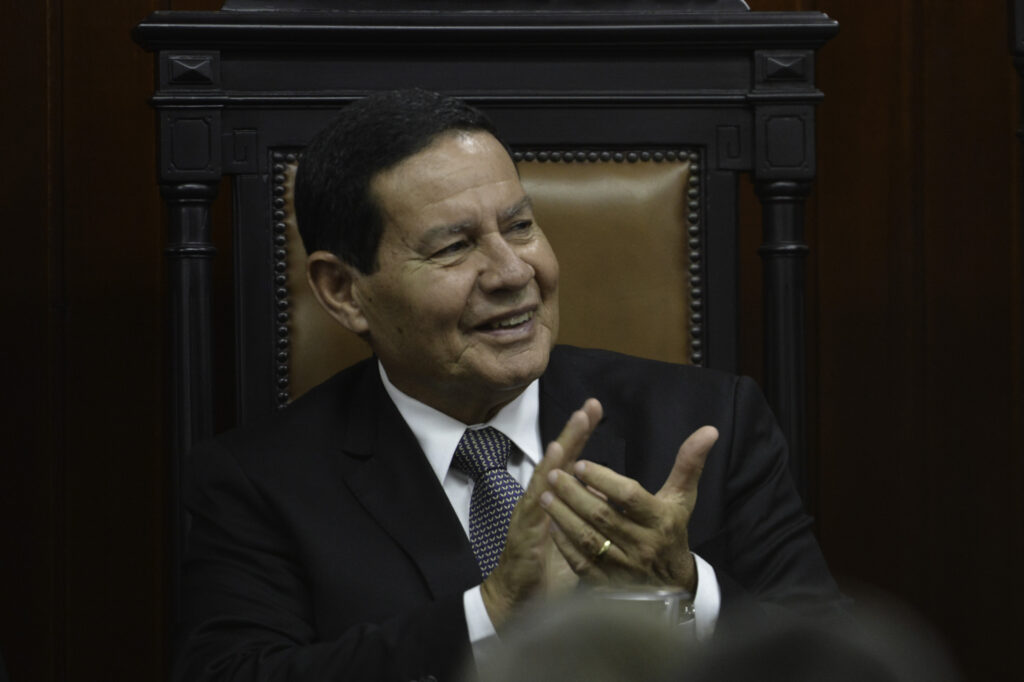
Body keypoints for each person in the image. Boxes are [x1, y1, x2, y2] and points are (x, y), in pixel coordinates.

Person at [173, 89, 847, 682]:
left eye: (520, 226)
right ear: (344, 291)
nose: (512, 272)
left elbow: (838, 664)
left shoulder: (706, 423)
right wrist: (489, 614)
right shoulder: (257, 484)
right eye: (453, 247)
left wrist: (691, 589)